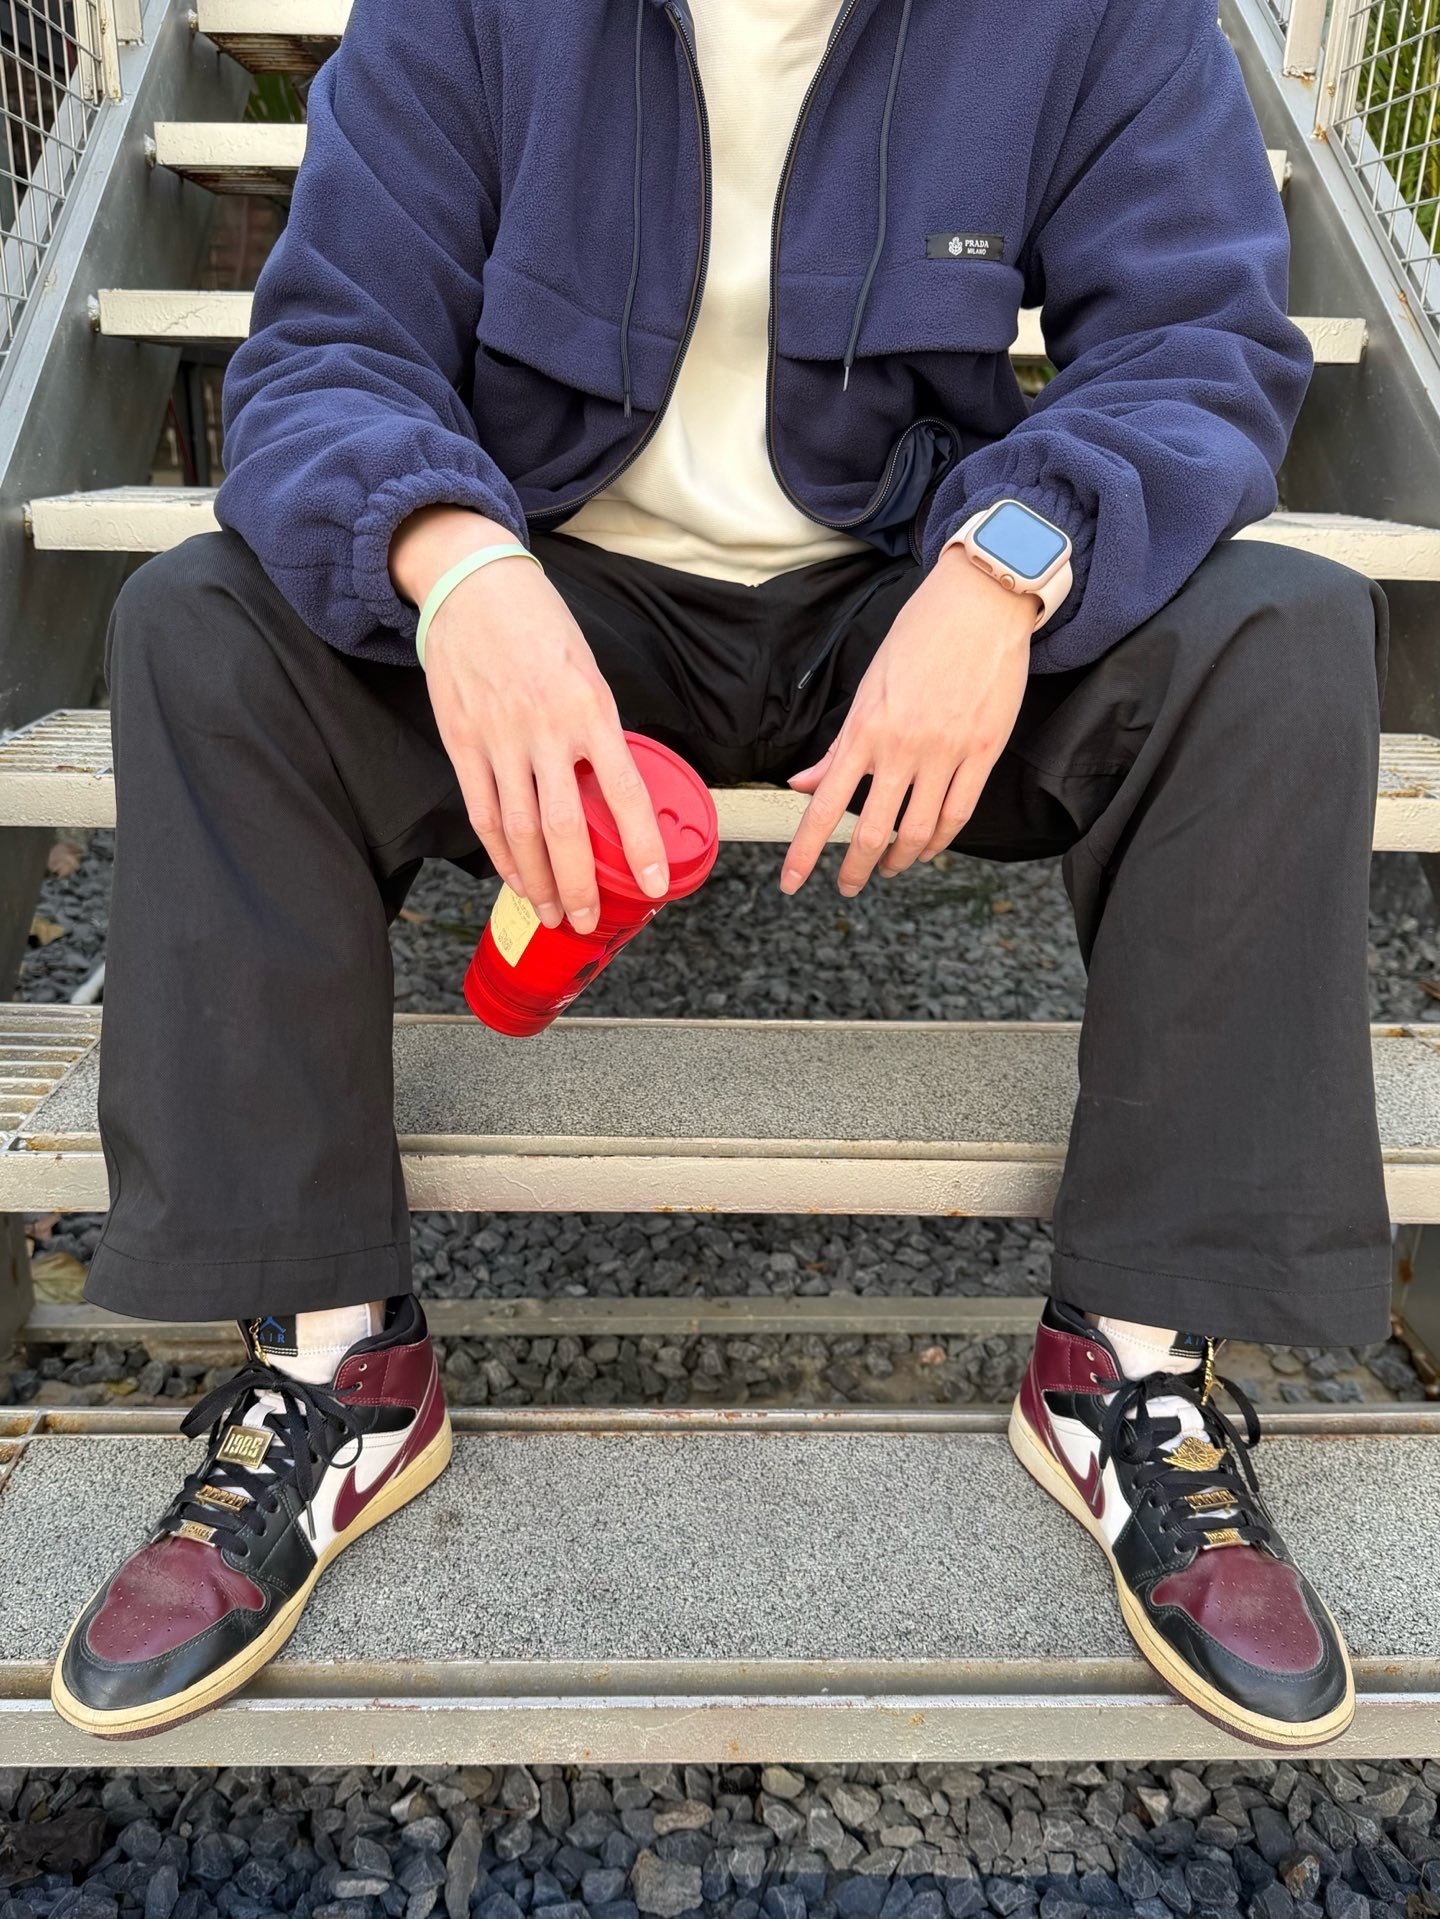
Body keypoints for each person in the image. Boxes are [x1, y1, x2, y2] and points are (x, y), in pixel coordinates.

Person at [50, 0, 1388, 1749]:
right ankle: (333, 1365)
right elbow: (328, 351)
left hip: (906, 588)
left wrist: (1013, 560)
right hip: (560, 594)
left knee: (1284, 634)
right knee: (202, 625)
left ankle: (1133, 1365)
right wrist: (453, 560)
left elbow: (1200, 346)